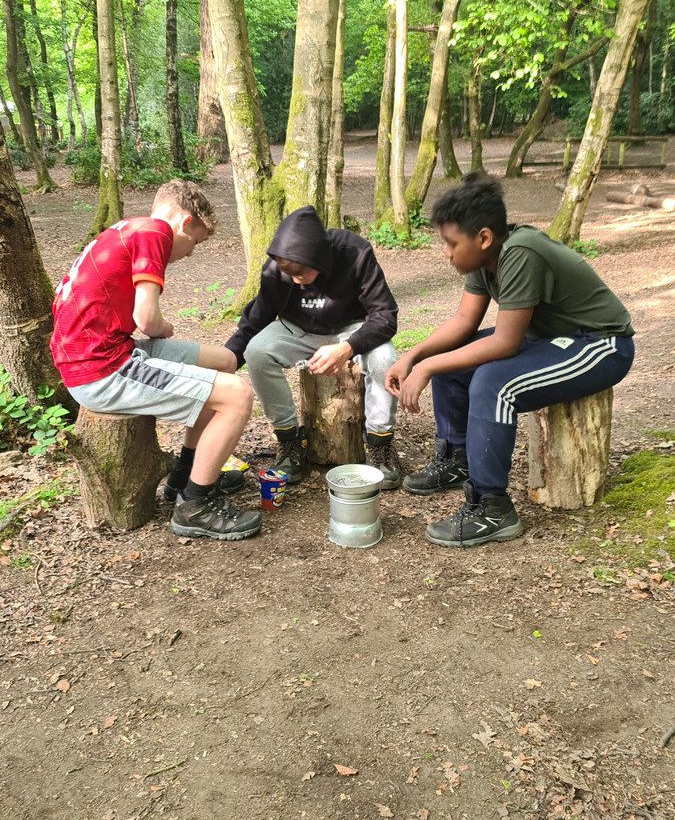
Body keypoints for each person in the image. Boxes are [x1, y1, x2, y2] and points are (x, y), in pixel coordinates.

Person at [385, 173, 635, 548]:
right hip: (549, 340)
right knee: (452, 362)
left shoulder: (521, 252)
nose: (446, 252)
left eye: (451, 243)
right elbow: (464, 322)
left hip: (600, 345)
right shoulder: (484, 261)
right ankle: (458, 460)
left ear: (483, 237)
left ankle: (492, 507)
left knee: (493, 382)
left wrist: (428, 367)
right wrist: (416, 356)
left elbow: (504, 343)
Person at [50, 179, 262, 542]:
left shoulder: (126, 228)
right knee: (237, 395)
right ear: (184, 221)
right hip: (102, 369)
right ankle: (196, 505)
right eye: (196, 241)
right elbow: (147, 319)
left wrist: (149, 329)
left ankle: (187, 472)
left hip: (109, 349)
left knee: (225, 361)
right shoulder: (156, 232)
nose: (191, 252)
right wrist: (163, 326)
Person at [224, 205, 401, 486]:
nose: (296, 281)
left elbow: (385, 316)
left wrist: (347, 348)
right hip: (299, 330)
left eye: (302, 274)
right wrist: (227, 360)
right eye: (289, 275)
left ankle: (380, 447)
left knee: (385, 358)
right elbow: (255, 319)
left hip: (352, 329)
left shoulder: (355, 253)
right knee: (257, 350)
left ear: (320, 258)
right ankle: (290, 443)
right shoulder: (275, 270)